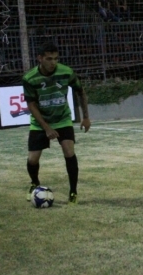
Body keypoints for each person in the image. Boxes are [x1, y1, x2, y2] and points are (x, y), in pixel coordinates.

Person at [22, 41, 91, 205]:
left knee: (69, 152)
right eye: (49, 59)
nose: (53, 62)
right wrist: (46, 128)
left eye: (55, 58)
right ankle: (34, 183)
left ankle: (73, 191)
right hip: (40, 122)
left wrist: (86, 117)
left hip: (62, 119)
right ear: (40, 58)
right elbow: (31, 105)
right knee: (33, 159)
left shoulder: (66, 72)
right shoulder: (30, 78)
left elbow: (81, 92)